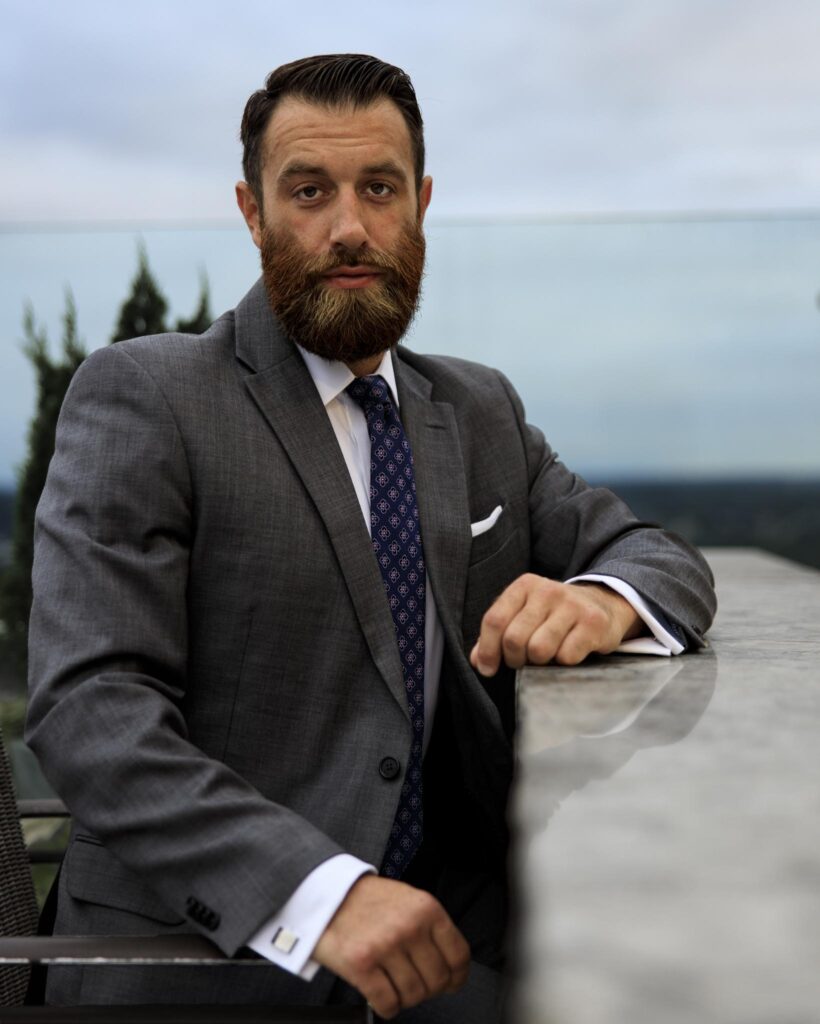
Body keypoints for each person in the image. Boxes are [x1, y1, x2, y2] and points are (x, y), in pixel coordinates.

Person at [26, 54, 716, 1021]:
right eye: (309, 191)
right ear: (252, 211)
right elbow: (91, 710)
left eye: (378, 188)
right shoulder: (147, 395)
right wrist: (319, 893)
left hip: (462, 937)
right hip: (199, 958)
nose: (349, 227)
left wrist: (597, 601)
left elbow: (659, 557)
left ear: (421, 203)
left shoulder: (476, 410)